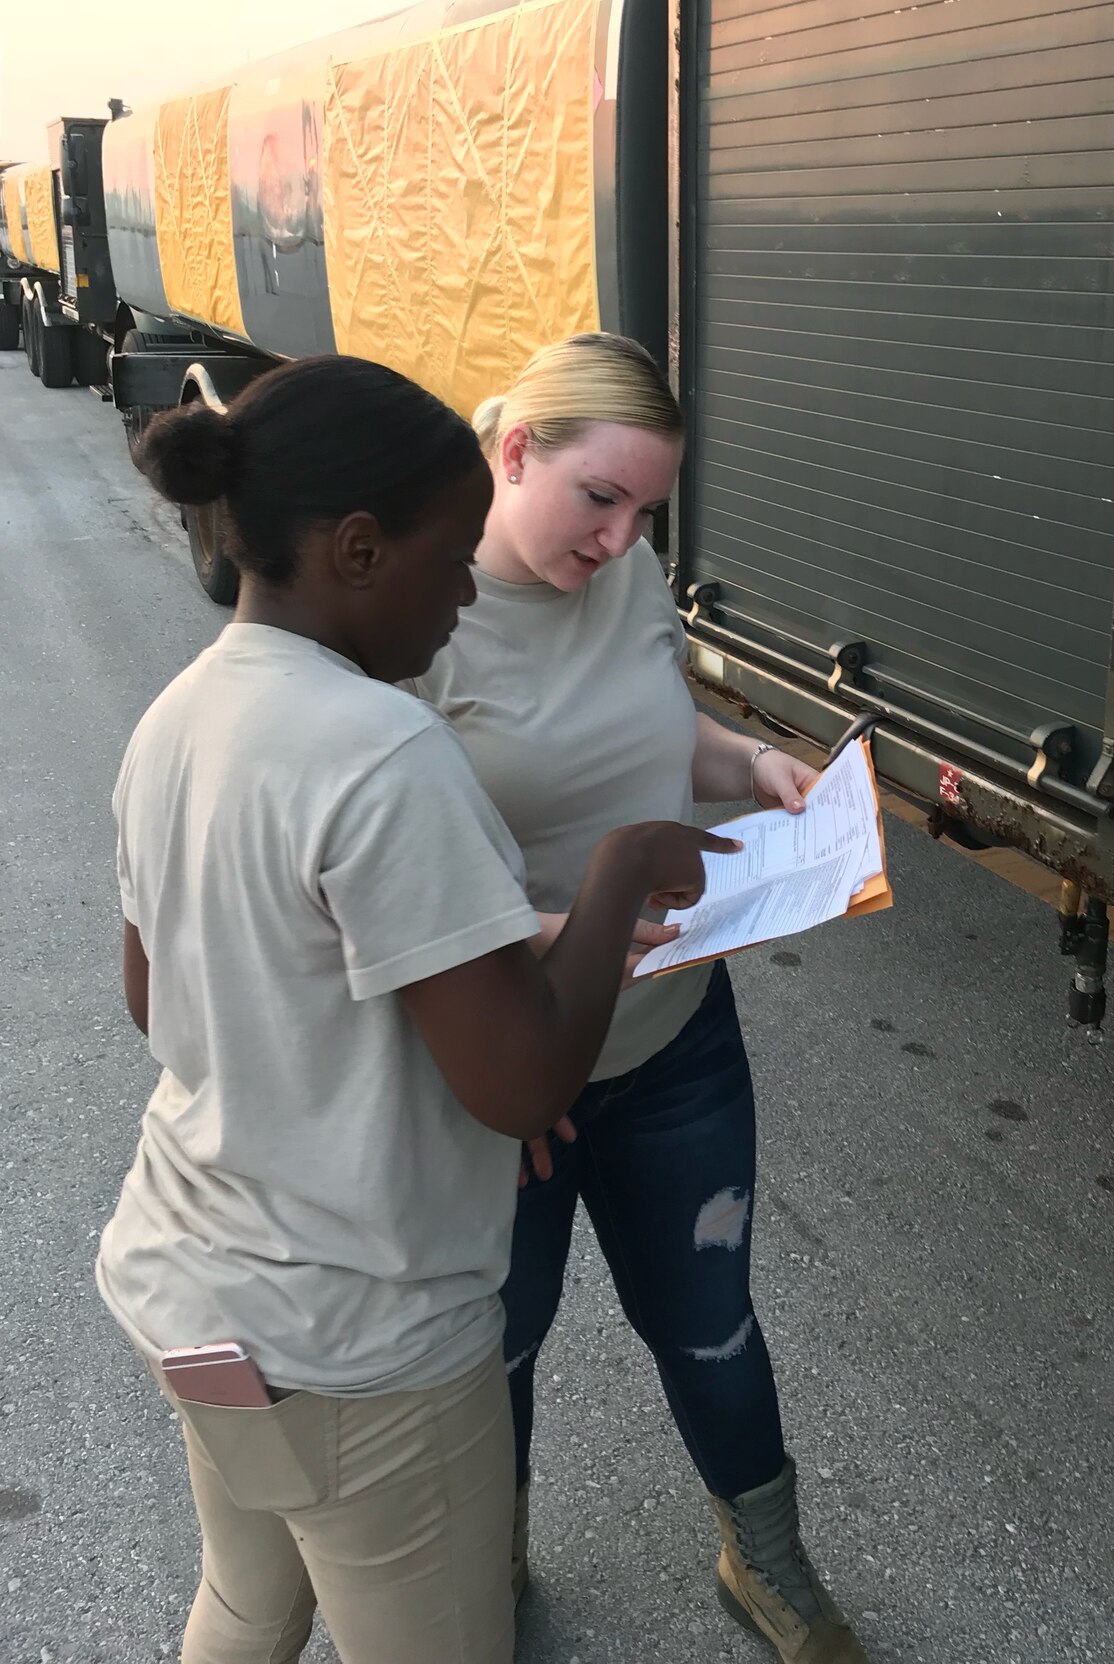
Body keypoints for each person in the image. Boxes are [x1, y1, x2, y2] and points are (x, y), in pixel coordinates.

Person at [97, 353, 728, 1664]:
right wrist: (617, 874)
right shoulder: (386, 752)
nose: (463, 597)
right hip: (359, 1346)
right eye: (451, 565)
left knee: (247, 1605)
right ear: (361, 550)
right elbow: (525, 1087)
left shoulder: (180, 716)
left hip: (190, 1284)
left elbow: (162, 994)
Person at [412, 332, 869, 1662]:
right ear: (514, 451)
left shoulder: (627, 572)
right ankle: (483, 1558)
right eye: (597, 499)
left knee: (710, 1320)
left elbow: (655, 727)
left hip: (673, 1042)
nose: (619, 539)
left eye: (646, 512)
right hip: (506, 1077)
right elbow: (366, 884)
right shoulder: (416, 624)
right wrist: (536, 949)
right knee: (495, 1348)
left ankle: (764, 1556)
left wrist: (751, 768)